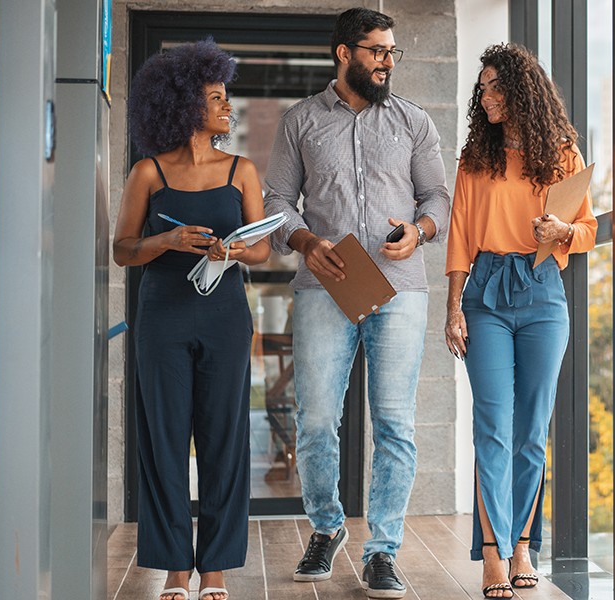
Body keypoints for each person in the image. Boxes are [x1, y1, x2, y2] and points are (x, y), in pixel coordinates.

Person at [263, 7, 450, 599]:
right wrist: (305, 241)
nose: (387, 62)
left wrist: (417, 232)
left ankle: (383, 549)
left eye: (393, 52)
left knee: (394, 424)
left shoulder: (415, 122)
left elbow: (438, 199)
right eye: (377, 51)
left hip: (399, 290)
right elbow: (277, 204)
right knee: (316, 420)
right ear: (344, 53)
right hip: (325, 287)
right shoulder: (300, 121)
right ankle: (326, 527)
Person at [113, 40, 270, 600]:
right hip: (162, 318)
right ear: (183, 106)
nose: (227, 106)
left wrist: (234, 252)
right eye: (216, 97)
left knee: (225, 438)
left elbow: (263, 251)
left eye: (226, 96)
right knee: (164, 440)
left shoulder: (242, 170)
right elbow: (123, 250)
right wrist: (168, 239)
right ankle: (176, 568)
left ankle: (217, 569)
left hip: (225, 316)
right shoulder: (147, 173)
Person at [444, 43, 598, 599]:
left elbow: (587, 230)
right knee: (493, 424)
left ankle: (524, 543)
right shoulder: (474, 159)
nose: (484, 97)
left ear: (522, 91)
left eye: (495, 87)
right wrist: (453, 305)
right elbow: (460, 234)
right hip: (484, 290)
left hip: (540, 293)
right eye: (480, 89)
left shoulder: (561, 155)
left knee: (532, 430)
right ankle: (493, 554)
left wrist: (560, 233)